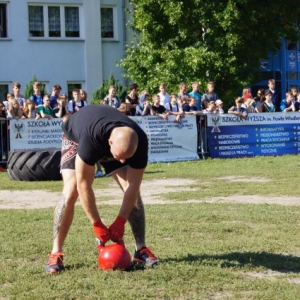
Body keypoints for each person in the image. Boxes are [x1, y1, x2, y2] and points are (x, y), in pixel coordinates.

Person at [45, 105, 158, 274]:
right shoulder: (90, 140)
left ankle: (140, 250)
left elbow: (134, 185)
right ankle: (56, 253)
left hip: (114, 142)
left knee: (132, 190)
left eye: (126, 158)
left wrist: (121, 221)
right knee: (71, 190)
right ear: (110, 143)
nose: (122, 162)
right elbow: (84, 185)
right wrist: (96, 224)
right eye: (119, 157)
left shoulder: (139, 141)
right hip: (77, 137)